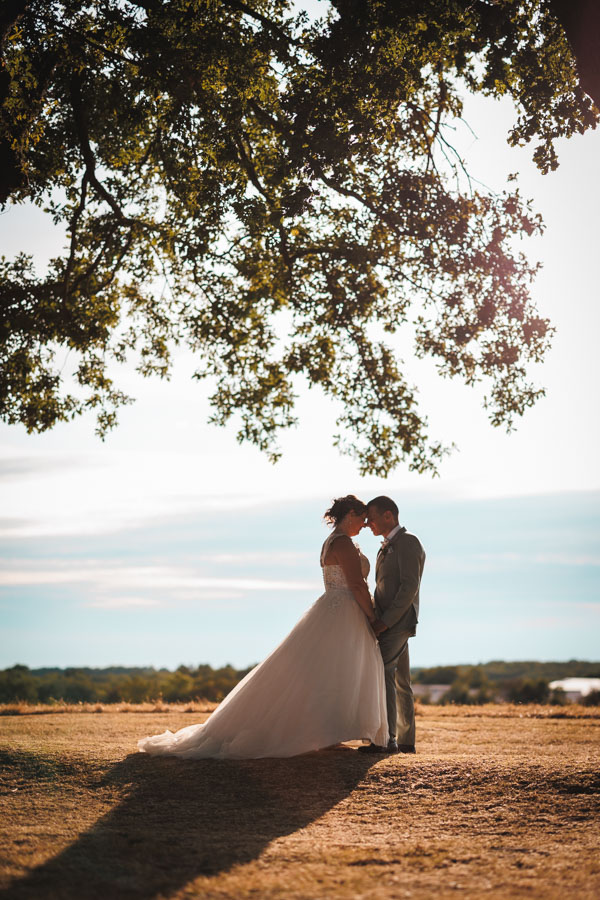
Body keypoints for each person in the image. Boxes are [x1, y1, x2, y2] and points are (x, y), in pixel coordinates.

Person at [137, 495, 388, 759]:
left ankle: (327, 732)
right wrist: (372, 617)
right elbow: (357, 585)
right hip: (344, 612)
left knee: (326, 672)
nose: (364, 525)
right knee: (331, 672)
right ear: (350, 514)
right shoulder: (343, 543)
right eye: (362, 519)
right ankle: (324, 733)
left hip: (333, 610)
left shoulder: (330, 542)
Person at [359, 496, 425, 755]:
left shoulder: (409, 543)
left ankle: (387, 740)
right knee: (401, 681)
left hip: (397, 622)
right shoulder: (384, 547)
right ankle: (406, 741)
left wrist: (385, 623)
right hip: (389, 621)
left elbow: (410, 587)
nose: (368, 524)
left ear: (389, 515)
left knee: (383, 672)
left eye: (372, 518)